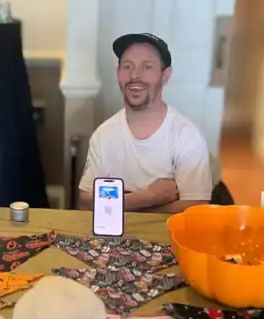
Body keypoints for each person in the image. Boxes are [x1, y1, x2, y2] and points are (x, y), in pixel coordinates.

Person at [78, 33, 212, 213]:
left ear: (165, 75)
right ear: (118, 73)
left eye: (147, 67)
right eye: (127, 66)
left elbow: (196, 209)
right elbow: (85, 203)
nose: (134, 75)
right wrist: (148, 197)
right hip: (112, 240)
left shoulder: (187, 137)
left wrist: (113, 207)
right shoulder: (103, 135)